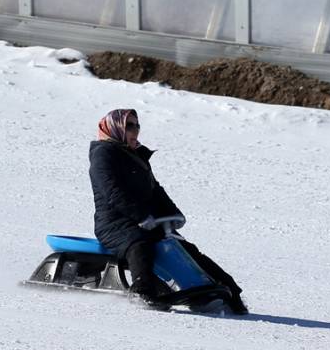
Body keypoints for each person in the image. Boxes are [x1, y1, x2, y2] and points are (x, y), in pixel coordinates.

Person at [88, 108, 247, 314]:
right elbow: (113, 193)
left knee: (183, 248)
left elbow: (156, 190)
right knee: (140, 245)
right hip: (115, 224)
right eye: (129, 125)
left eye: (137, 125)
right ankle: (142, 291)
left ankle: (230, 290)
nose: (135, 130)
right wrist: (142, 216)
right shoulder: (103, 154)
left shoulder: (134, 154)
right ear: (115, 128)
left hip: (145, 220)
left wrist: (173, 213)